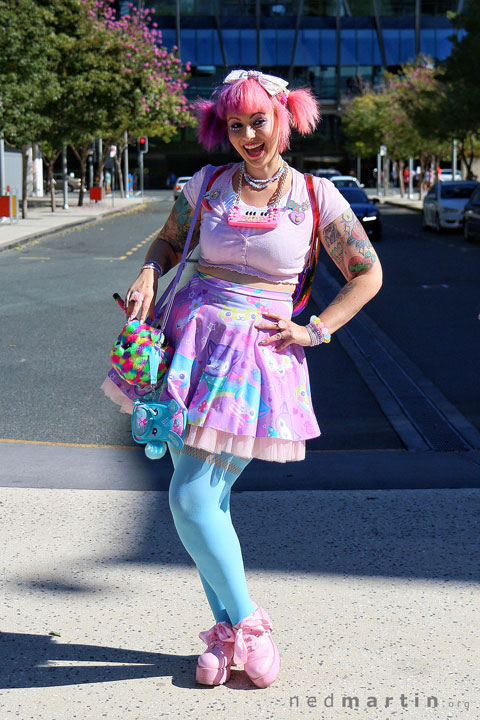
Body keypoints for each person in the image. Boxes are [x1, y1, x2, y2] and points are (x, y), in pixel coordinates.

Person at [102, 69, 382, 689]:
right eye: (236, 124)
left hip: (256, 360)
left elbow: (367, 274)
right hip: (187, 347)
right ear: (221, 128)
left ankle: (250, 626)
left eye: (259, 121)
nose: (249, 135)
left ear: (283, 119)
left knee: (191, 498)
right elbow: (169, 245)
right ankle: (227, 634)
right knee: (209, 503)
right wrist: (150, 271)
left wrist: (317, 328)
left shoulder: (316, 198)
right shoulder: (204, 185)